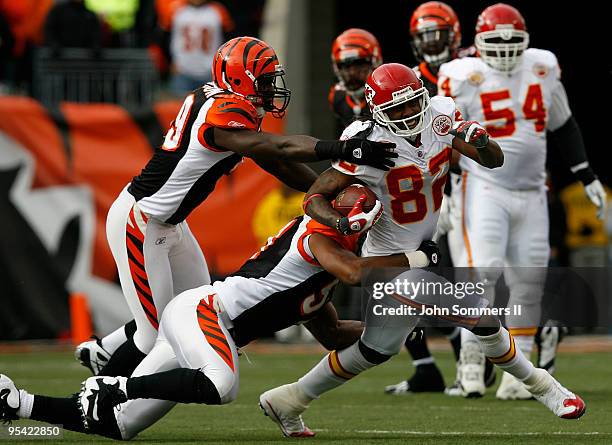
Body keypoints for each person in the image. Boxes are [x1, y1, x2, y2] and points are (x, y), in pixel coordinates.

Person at [257, 63, 586, 437]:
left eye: (413, 103)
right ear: (377, 110)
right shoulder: (367, 140)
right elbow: (315, 195)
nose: (409, 114)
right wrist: (340, 222)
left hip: (419, 252)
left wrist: (479, 140)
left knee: (375, 349)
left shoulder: (441, 114)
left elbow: (494, 159)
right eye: (396, 109)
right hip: (388, 264)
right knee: (477, 312)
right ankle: (544, 387)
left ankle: (288, 399)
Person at [73, 36, 398, 379]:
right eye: (266, 79)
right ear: (241, 78)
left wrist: (323, 192)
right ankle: (97, 397)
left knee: (195, 315)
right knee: (154, 335)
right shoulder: (222, 110)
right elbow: (280, 146)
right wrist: (344, 149)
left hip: (171, 225)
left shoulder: (230, 103)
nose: (272, 87)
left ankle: (104, 349)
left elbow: (276, 160)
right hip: (140, 221)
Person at [0, 187, 410, 440]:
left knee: (119, 425)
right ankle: (115, 384)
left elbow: (335, 334)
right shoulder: (318, 238)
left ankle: (18, 402)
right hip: (204, 314)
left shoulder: (319, 278)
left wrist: (385, 330)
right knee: (222, 385)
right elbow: (355, 273)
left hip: (200, 326)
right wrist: (414, 256)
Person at [437, 3, 607, 399]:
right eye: (495, 40)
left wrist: (586, 175)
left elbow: (564, 125)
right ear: (478, 43)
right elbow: (441, 135)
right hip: (484, 187)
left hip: (532, 190)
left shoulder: (543, 67)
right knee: (482, 275)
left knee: (529, 280)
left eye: (513, 40)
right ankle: (472, 360)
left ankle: (520, 373)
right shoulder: (462, 75)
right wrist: (444, 189)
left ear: (527, 41)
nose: (505, 48)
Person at [384, 0, 477, 396]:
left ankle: (496, 353)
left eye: (438, 34)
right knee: (428, 277)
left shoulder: (472, 67)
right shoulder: (412, 81)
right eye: (425, 37)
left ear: (454, 35)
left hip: (475, 180)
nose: (433, 43)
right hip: (430, 186)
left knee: (470, 271)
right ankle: (454, 362)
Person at [169, 0, 235, 95]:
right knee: (179, 106)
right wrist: (171, 60)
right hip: (182, 69)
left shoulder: (218, 10)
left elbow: (229, 39)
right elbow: (166, 37)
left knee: (210, 106)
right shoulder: (176, 8)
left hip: (210, 71)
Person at [328, 28, 382, 136]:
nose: (352, 72)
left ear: (375, 62)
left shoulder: (388, 93)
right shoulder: (338, 97)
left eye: (359, 64)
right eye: (345, 66)